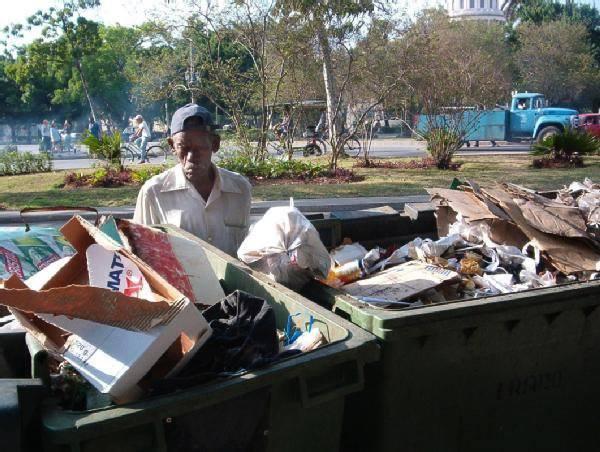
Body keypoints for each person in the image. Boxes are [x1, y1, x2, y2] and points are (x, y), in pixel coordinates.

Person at [133, 104, 252, 256]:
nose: (191, 157)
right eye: (183, 147)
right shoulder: (153, 193)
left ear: (215, 144)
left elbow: (247, 251)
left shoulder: (240, 189)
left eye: (200, 148)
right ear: (172, 146)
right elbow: (140, 253)